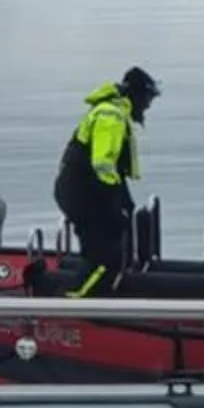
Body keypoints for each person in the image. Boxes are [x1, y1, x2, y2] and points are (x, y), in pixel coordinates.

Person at [53, 67, 160, 297]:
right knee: (105, 257)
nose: (148, 106)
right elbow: (102, 164)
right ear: (136, 95)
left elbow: (114, 170)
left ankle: (94, 296)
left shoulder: (115, 112)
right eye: (147, 99)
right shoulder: (111, 116)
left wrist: (125, 201)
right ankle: (73, 301)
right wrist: (114, 204)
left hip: (86, 191)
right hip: (82, 193)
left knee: (106, 249)